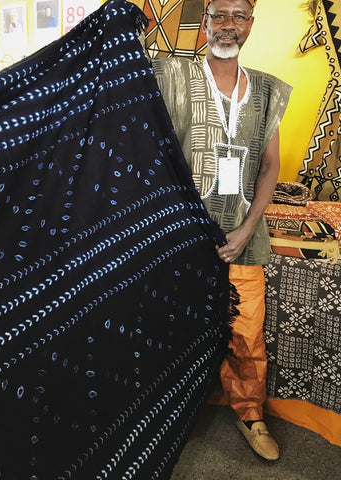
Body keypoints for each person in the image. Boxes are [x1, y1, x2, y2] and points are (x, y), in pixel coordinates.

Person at [151, 0, 292, 461]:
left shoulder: (268, 91)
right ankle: (165, 415)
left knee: (247, 333)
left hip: (243, 237)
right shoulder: (171, 77)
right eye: (220, 15)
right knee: (170, 326)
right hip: (184, 239)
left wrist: (247, 229)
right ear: (206, 20)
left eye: (240, 16)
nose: (229, 26)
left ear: (251, 24)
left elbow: (270, 166)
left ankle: (251, 414)